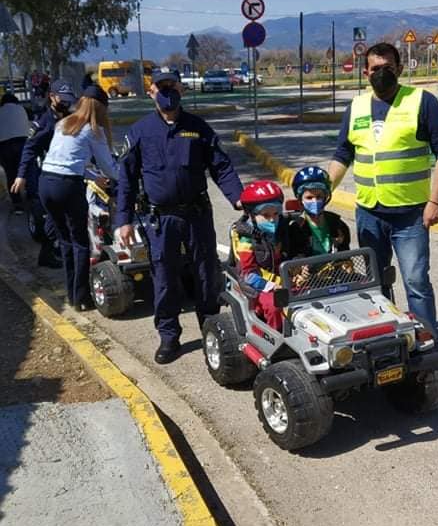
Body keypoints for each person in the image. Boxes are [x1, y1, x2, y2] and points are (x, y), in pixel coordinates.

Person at [328, 42, 438, 338]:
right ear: (365, 72)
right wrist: (323, 189)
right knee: (375, 282)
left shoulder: (422, 101)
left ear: (398, 69)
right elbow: (342, 154)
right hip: (369, 212)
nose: (381, 73)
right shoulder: (356, 106)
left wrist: (435, 201)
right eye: (375, 69)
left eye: (388, 68)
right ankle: (388, 339)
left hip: (410, 215)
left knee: (416, 282)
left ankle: (427, 340)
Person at [116, 70, 243, 364]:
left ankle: (212, 328)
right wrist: (122, 220)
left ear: (181, 90)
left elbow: (221, 166)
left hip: (197, 214)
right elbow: (126, 178)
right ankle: (169, 336)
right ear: (151, 91)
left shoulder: (198, 128)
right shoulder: (140, 131)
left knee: (205, 273)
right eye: (161, 87)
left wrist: (238, 197)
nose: (167, 92)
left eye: (172, 87)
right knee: (164, 277)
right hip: (161, 220)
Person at [38, 84, 118, 311]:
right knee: (81, 243)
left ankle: (71, 295)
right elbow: (110, 168)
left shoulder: (63, 123)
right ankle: (82, 297)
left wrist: (93, 176)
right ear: (101, 109)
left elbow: (66, 161)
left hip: (46, 182)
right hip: (67, 187)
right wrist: (126, 177)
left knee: (65, 241)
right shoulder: (94, 129)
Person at [11, 79, 78, 267]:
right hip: (49, 174)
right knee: (55, 216)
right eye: (62, 99)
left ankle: (56, 249)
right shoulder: (44, 122)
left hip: (70, 171)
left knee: (63, 215)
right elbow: (29, 149)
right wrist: (21, 175)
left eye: (68, 99)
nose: (66, 103)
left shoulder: (70, 116)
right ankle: (49, 252)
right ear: (52, 97)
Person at [231, 180, 290, 332]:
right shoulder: (246, 239)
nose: (272, 219)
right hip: (260, 286)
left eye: (276, 214)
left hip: (283, 279)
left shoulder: (282, 230)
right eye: (266, 215)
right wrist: (272, 286)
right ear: (251, 215)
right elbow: (248, 275)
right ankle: (274, 339)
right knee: (275, 306)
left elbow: (291, 254)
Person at [288, 166, 350, 256]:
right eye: (309, 197)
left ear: (326, 197)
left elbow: (345, 254)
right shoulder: (295, 228)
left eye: (319, 197)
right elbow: (293, 256)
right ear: (300, 199)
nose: (315, 201)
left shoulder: (338, 225)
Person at [0, 90, 30, 212]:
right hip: (22, 143)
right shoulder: (21, 109)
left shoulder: (1, 111)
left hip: (4, 146)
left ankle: (17, 205)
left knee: (10, 174)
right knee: (25, 171)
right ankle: (32, 197)